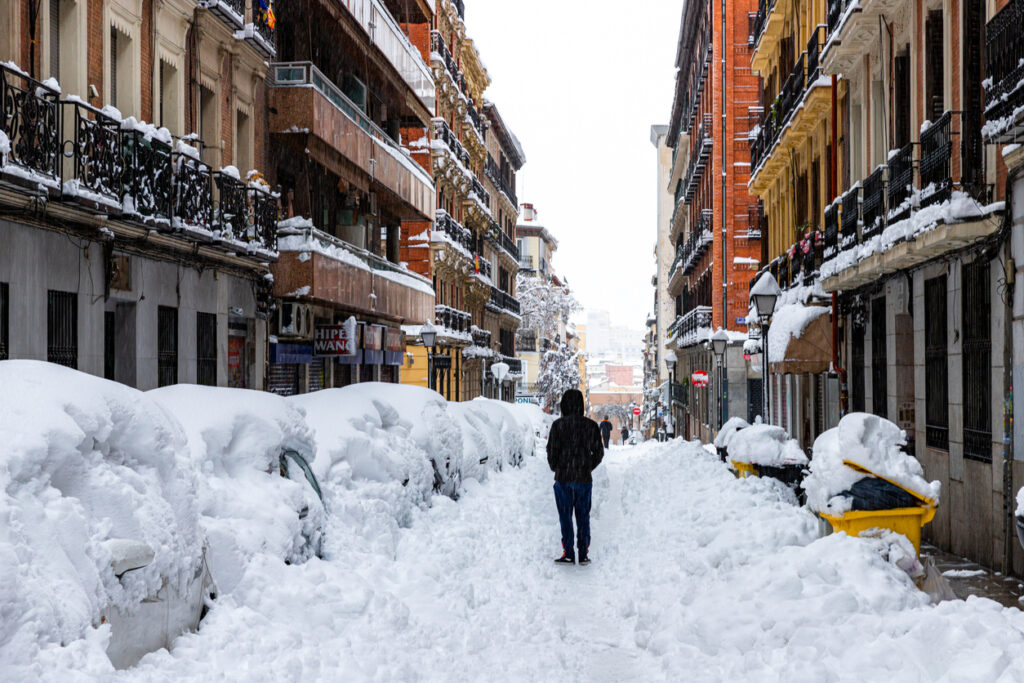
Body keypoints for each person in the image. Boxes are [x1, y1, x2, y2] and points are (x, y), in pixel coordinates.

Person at [547, 389, 604, 565]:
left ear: (564, 404)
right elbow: (599, 453)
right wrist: (587, 466)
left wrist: (557, 467)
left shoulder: (558, 426)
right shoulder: (591, 426)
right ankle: (583, 552)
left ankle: (569, 552)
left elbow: (551, 452)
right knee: (583, 516)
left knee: (565, 517)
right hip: (584, 479)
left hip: (563, 479)